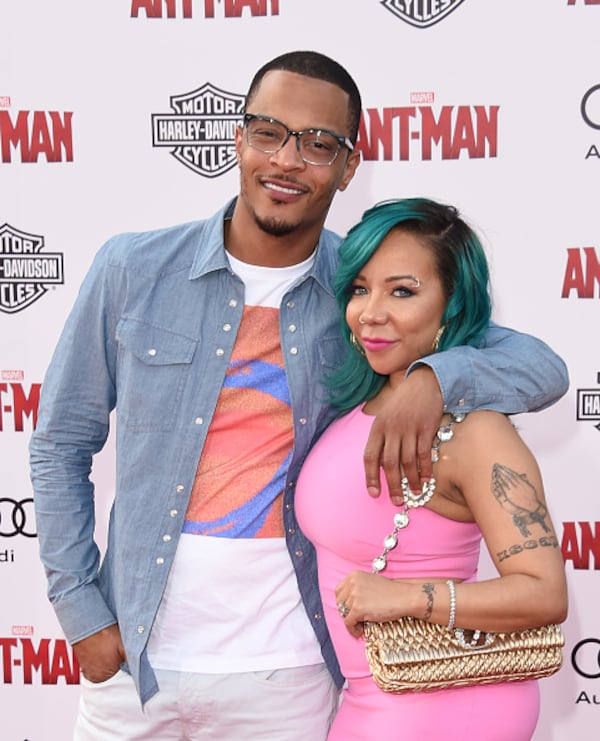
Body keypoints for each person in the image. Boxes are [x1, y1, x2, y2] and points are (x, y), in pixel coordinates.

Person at [29, 51, 568, 741]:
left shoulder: (364, 286)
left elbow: (541, 365)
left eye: (319, 143)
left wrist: (437, 377)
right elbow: (59, 441)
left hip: (288, 673)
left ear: (349, 166)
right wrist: (81, 609)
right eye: (268, 131)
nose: (287, 159)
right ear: (237, 138)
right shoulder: (132, 268)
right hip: (135, 660)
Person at [295, 197, 569, 741]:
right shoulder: (366, 402)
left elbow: (544, 594)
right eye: (359, 288)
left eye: (403, 291)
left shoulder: (475, 430)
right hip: (375, 693)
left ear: (451, 305)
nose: (371, 311)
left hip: (447, 704)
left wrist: (407, 595)